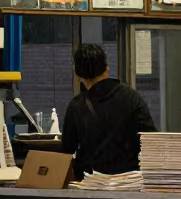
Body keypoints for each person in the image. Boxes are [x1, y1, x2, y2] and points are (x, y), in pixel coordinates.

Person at [61, 44, 156, 180]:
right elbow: (151, 140)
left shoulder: (76, 106)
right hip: (129, 183)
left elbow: (66, 150)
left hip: (90, 184)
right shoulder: (132, 98)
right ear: (107, 67)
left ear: (78, 75)